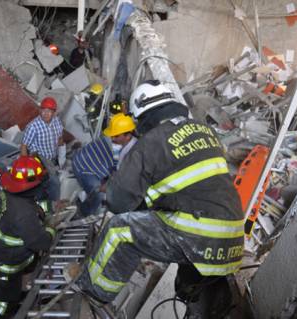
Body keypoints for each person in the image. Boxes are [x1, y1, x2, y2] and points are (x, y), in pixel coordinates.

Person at [65, 80, 244, 313]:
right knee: (186, 273)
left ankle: (92, 289)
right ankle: (191, 293)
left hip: (199, 232)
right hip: (232, 240)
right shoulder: (205, 131)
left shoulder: (151, 141)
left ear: (143, 116)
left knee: (119, 230)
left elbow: (118, 202)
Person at [0, 156, 56, 318]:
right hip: (6, 266)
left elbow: (33, 205)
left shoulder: (8, 193)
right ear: (29, 186)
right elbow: (41, 243)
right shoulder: (23, 214)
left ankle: (13, 297)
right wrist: (51, 229)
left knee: (11, 290)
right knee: (5, 302)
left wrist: (48, 209)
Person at [72, 113, 137, 216]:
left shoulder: (130, 152)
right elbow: (116, 177)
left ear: (128, 136)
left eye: (116, 136)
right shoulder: (117, 146)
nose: (113, 138)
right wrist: (105, 187)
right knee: (99, 195)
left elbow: (117, 175)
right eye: (112, 135)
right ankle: (83, 212)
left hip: (93, 162)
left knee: (107, 192)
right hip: (83, 166)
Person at [21, 97, 64, 202]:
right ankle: (55, 204)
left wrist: (62, 156)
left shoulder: (56, 121)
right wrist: (26, 165)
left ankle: (43, 195)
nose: (45, 113)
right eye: (43, 110)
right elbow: (24, 146)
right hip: (39, 156)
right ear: (40, 110)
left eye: (49, 111)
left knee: (46, 180)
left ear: (54, 113)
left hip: (52, 155)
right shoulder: (33, 126)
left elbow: (60, 139)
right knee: (55, 181)